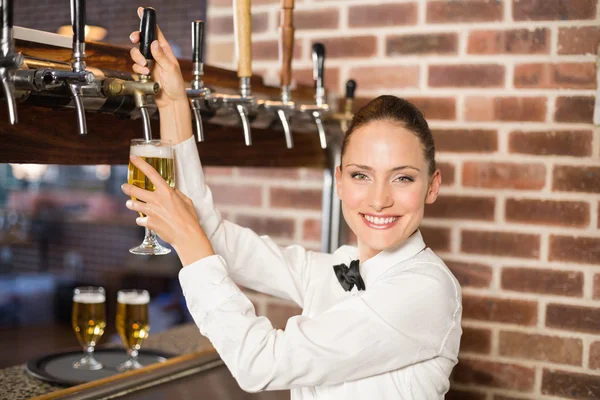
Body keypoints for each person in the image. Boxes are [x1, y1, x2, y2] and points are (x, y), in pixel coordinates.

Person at [121, 7, 462, 399]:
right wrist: (173, 104)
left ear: (432, 186)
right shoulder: (339, 267)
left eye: (402, 178)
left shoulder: (426, 290)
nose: (379, 199)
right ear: (339, 182)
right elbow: (210, 233)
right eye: (360, 175)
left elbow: (260, 364)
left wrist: (188, 243)